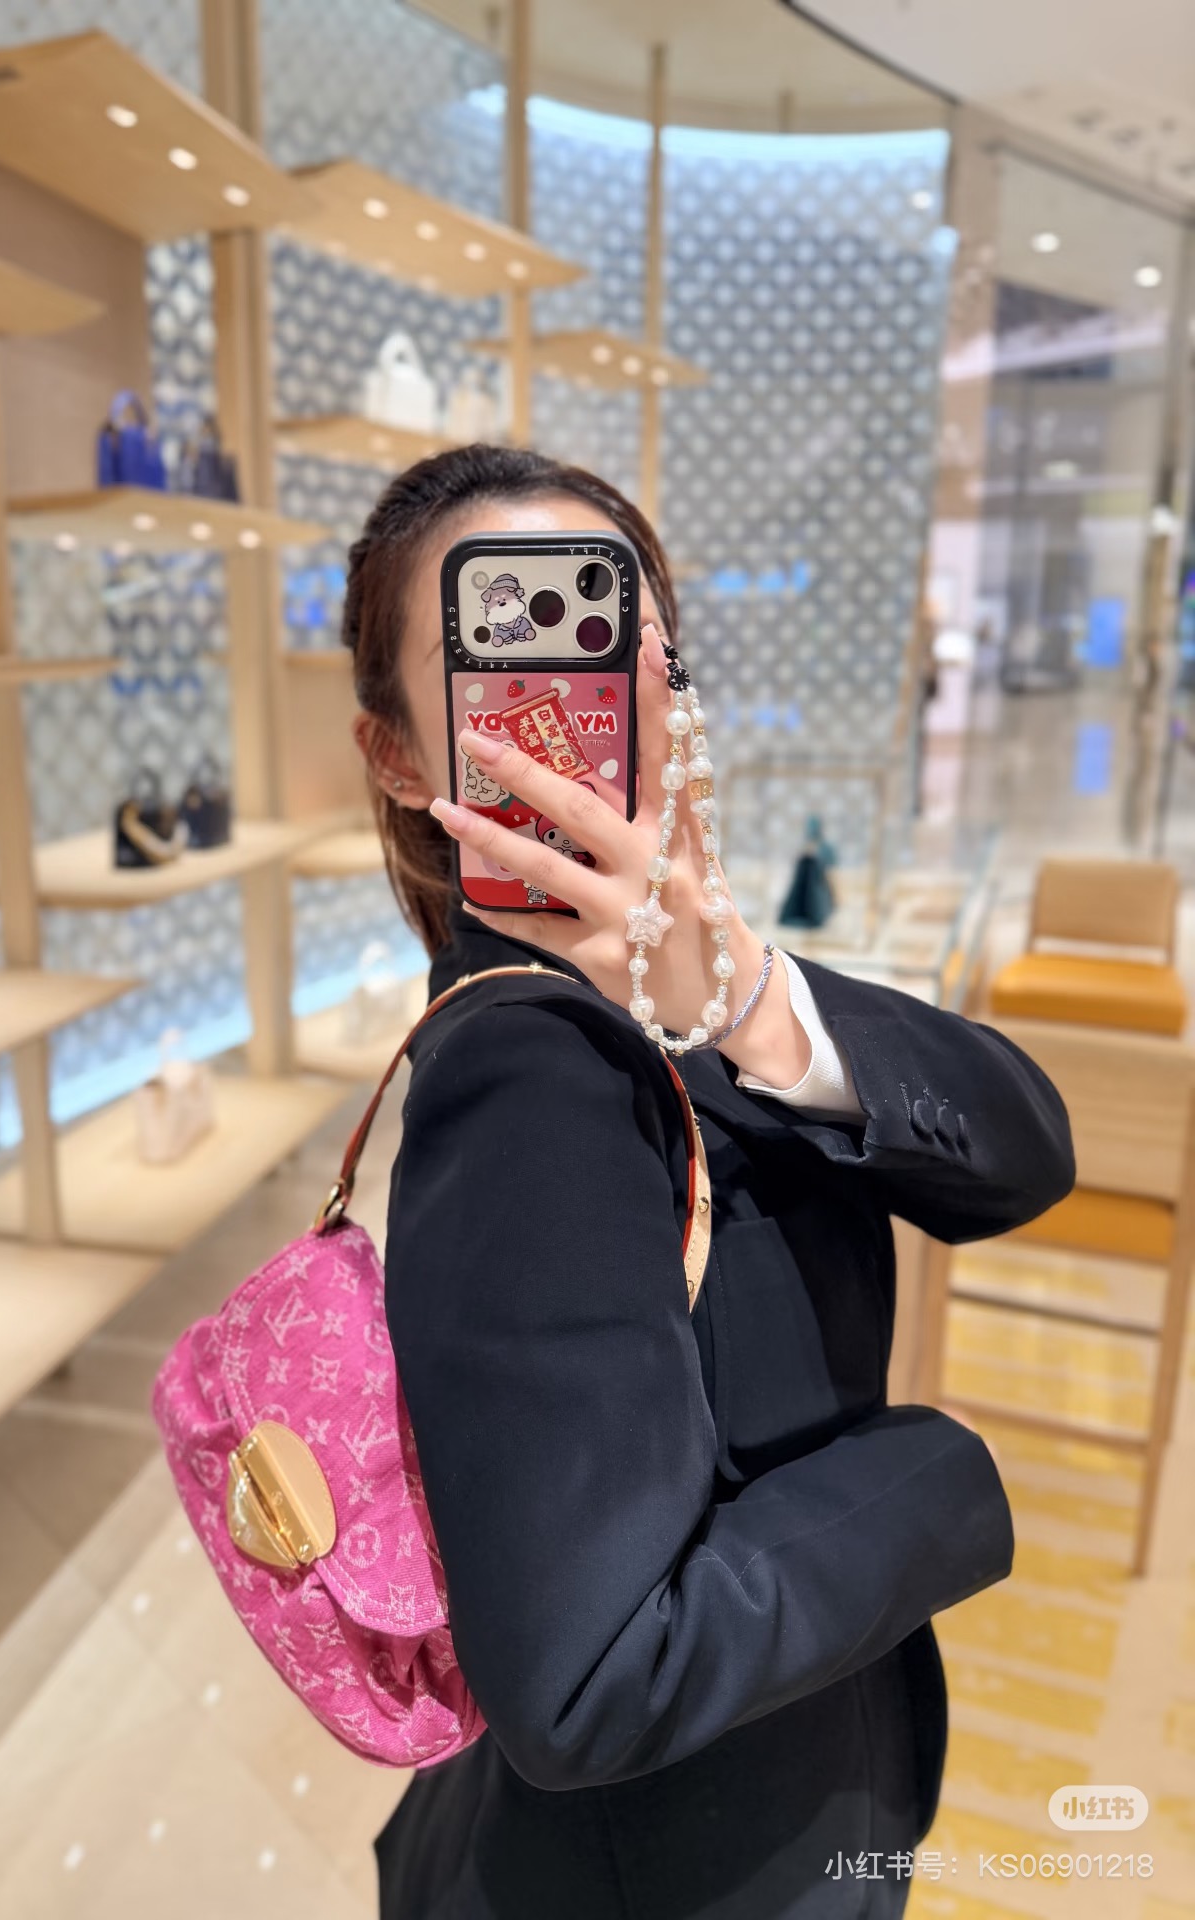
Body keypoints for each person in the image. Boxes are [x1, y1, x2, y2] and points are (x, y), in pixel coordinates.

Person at [345, 444, 1075, 1920]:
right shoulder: (529, 1074)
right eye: (505, 647)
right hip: (688, 1869)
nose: (586, 687)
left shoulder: (702, 1003)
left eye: (625, 632)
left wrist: (746, 999)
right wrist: (937, 1472)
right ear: (403, 758)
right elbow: (592, 1680)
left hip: (767, 1796)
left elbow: (1026, 1154)